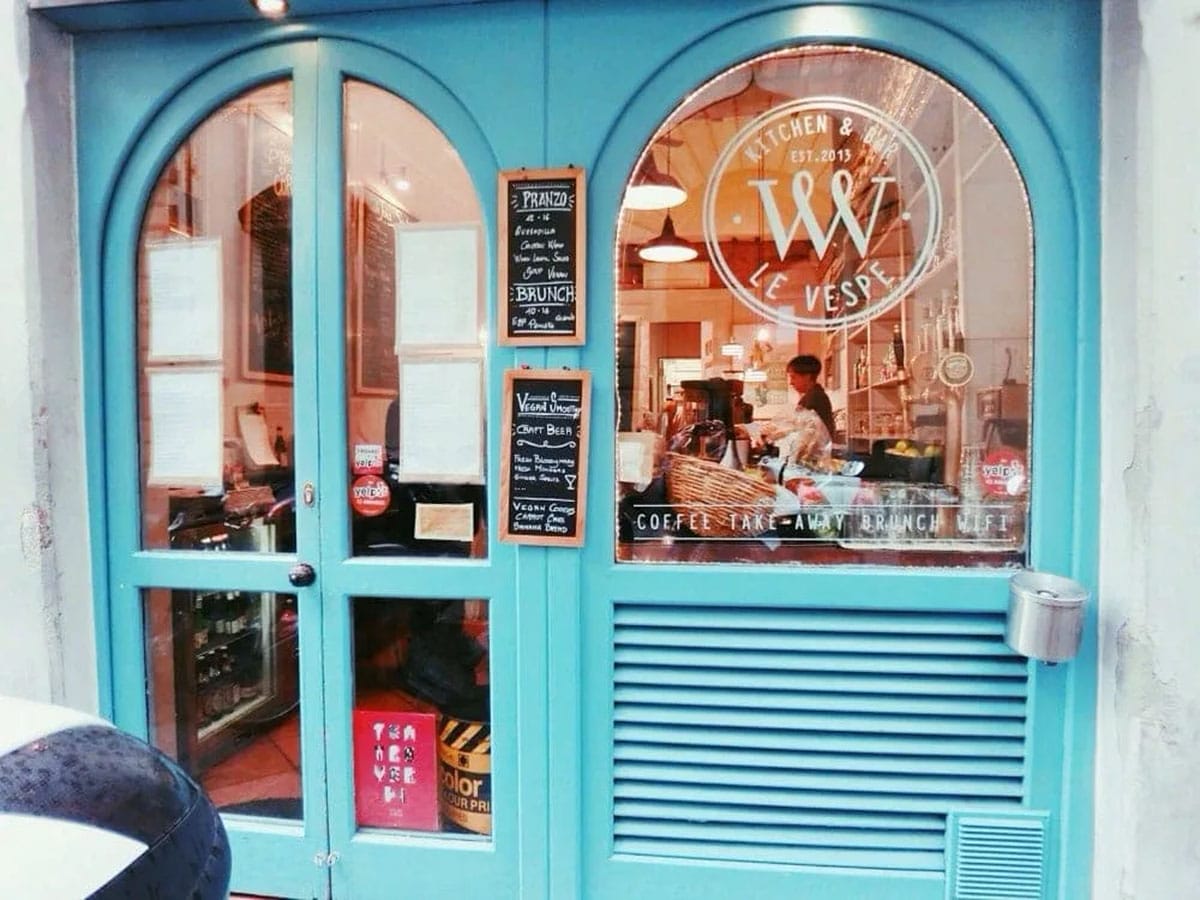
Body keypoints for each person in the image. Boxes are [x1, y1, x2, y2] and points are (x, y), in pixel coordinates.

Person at [786, 354, 836, 440]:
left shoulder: (814, 397)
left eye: (793, 377)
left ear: (807, 376)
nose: (791, 382)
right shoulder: (813, 395)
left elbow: (801, 432)